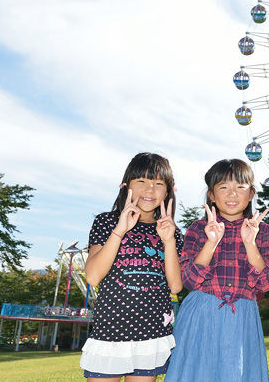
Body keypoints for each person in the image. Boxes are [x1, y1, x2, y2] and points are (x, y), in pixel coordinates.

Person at [165, 159, 269, 382]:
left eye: (240, 187)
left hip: (243, 316)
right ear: (211, 194)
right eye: (224, 187)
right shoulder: (198, 228)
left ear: (251, 193)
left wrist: (250, 243)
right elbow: (189, 280)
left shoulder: (263, 230)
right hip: (201, 314)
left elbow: (266, 283)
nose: (232, 194)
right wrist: (211, 242)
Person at [80, 152, 184, 381]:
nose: (150, 190)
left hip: (152, 334)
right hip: (110, 332)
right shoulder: (106, 222)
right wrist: (121, 229)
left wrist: (168, 241)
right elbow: (93, 277)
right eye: (142, 181)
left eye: (158, 183)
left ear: (167, 192)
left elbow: (175, 286)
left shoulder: (172, 232)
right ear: (126, 186)